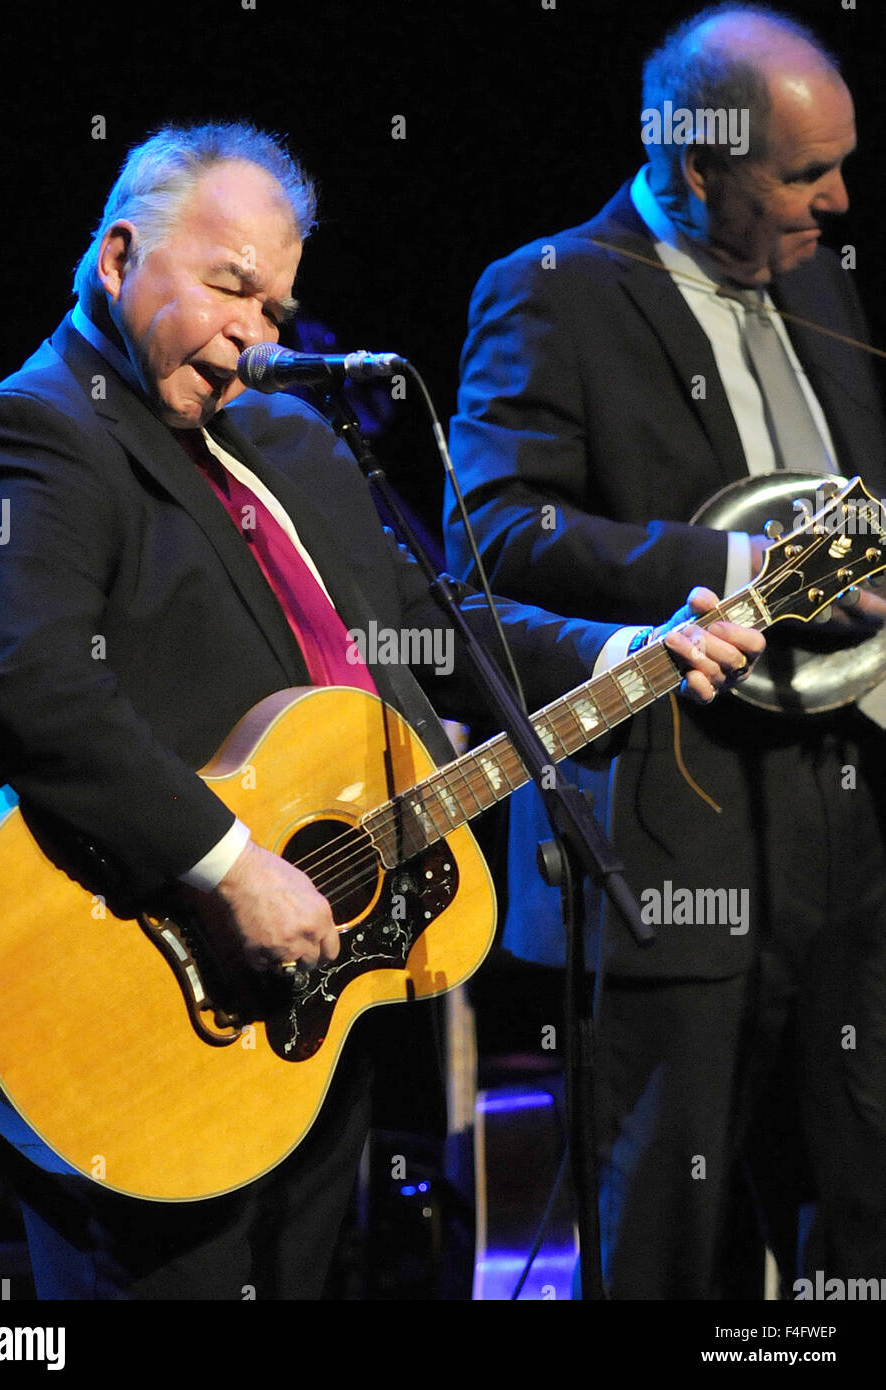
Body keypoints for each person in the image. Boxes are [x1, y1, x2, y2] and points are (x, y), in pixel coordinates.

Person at [0, 121, 761, 1300]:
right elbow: (31, 687)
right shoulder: (40, 431)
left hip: (316, 1010)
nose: (253, 337)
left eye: (275, 308)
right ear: (118, 258)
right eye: (229, 288)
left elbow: (436, 632)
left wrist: (627, 648)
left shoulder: (284, 439)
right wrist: (229, 868)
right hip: (143, 1003)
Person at [445, 5, 886, 1299]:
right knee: (663, 1238)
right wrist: (729, 570)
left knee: (858, 1209)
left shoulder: (816, 276)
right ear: (697, 167)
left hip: (850, 811)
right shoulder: (549, 290)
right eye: (806, 174)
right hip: (671, 809)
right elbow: (493, 538)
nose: (839, 201)